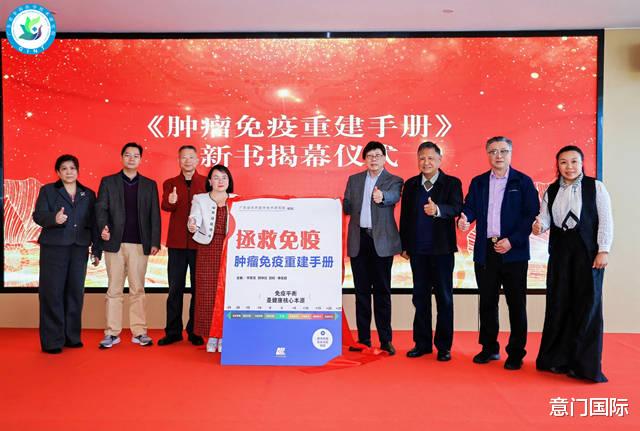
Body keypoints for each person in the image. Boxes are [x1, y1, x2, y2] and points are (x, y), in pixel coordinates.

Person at [533, 145, 612, 383]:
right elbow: (545, 217)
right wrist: (539, 225)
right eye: (564, 162)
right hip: (560, 253)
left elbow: (606, 220)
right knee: (558, 303)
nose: (569, 167)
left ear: (582, 163)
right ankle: (556, 360)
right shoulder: (551, 189)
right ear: (557, 165)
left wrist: (603, 250)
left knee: (587, 305)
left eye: (574, 161)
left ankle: (583, 366)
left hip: (588, 253)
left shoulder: (595, 187)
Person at [458, 136, 539, 370]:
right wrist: (464, 219)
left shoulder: (523, 181)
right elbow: (469, 207)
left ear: (511, 153)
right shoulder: (479, 182)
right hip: (486, 251)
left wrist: (512, 241)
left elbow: (530, 215)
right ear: (487, 154)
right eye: (493, 151)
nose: (498, 155)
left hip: (514, 252)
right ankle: (489, 347)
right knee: (487, 302)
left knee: (516, 304)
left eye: (503, 151)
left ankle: (516, 352)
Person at [400, 142, 463, 361]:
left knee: (444, 298)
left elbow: (457, 207)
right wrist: (404, 245)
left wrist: (437, 210)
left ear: (439, 160)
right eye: (422, 158)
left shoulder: (452, 183)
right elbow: (405, 217)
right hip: (418, 252)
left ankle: (444, 346)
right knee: (420, 298)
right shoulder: (411, 184)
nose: (426, 162)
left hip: (442, 251)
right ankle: (422, 343)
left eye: (430, 158)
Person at [33, 154, 101, 354]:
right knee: (52, 293)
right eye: (64, 168)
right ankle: (52, 341)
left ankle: (71, 337)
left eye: (72, 168)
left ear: (78, 171)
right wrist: (54, 218)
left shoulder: (88, 194)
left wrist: (97, 249)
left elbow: (94, 223)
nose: (69, 172)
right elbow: (38, 215)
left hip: (79, 248)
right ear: (58, 172)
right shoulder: (48, 191)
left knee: (75, 293)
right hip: (54, 248)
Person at [95, 142, 161, 349]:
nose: (131, 159)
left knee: (137, 289)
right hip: (114, 243)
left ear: (141, 159)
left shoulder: (149, 185)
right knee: (114, 289)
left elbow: (154, 215)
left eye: (136, 155)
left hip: (140, 244)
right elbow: (101, 208)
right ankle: (111, 333)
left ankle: (139, 332)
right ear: (122, 157)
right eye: (128, 155)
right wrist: (103, 227)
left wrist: (154, 241)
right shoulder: (108, 182)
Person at [343, 141, 403, 355]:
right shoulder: (354, 179)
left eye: (378, 155)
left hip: (381, 243)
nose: (374, 159)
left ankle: (386, 340)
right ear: (364, 159)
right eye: (370, 156)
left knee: (382, 292)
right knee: (361, 293)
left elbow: (394, 196)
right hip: (359, 241)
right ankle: (364, 339)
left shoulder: (394, 180)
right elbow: (347, 205)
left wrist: (382, 196)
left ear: (385, 158)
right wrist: (338, 205)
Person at [158, 145, 207, 347]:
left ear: (197, 160)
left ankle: (195, 331)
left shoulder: (206, 182)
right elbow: (166, 206)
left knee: (198, 289)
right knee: (175, 288)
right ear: (178, 160)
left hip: (199, 244)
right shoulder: (170, 183)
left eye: (191, 157)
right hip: (177, 243)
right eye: (183, 157)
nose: (187, 160)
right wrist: (171, 201)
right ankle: (173, 332)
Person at [188, 164, 236, 353]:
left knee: (227, 294)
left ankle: (224, 335)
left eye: (224, 178)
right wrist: (192, 224)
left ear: (229, 181)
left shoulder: (237, 199)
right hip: (208, 249)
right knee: (207, 293)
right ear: (210, 181)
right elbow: (194, 218)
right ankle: (211, 336)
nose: (220, 181)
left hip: (230, 251)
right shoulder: (200, 199)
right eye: (216, 177)